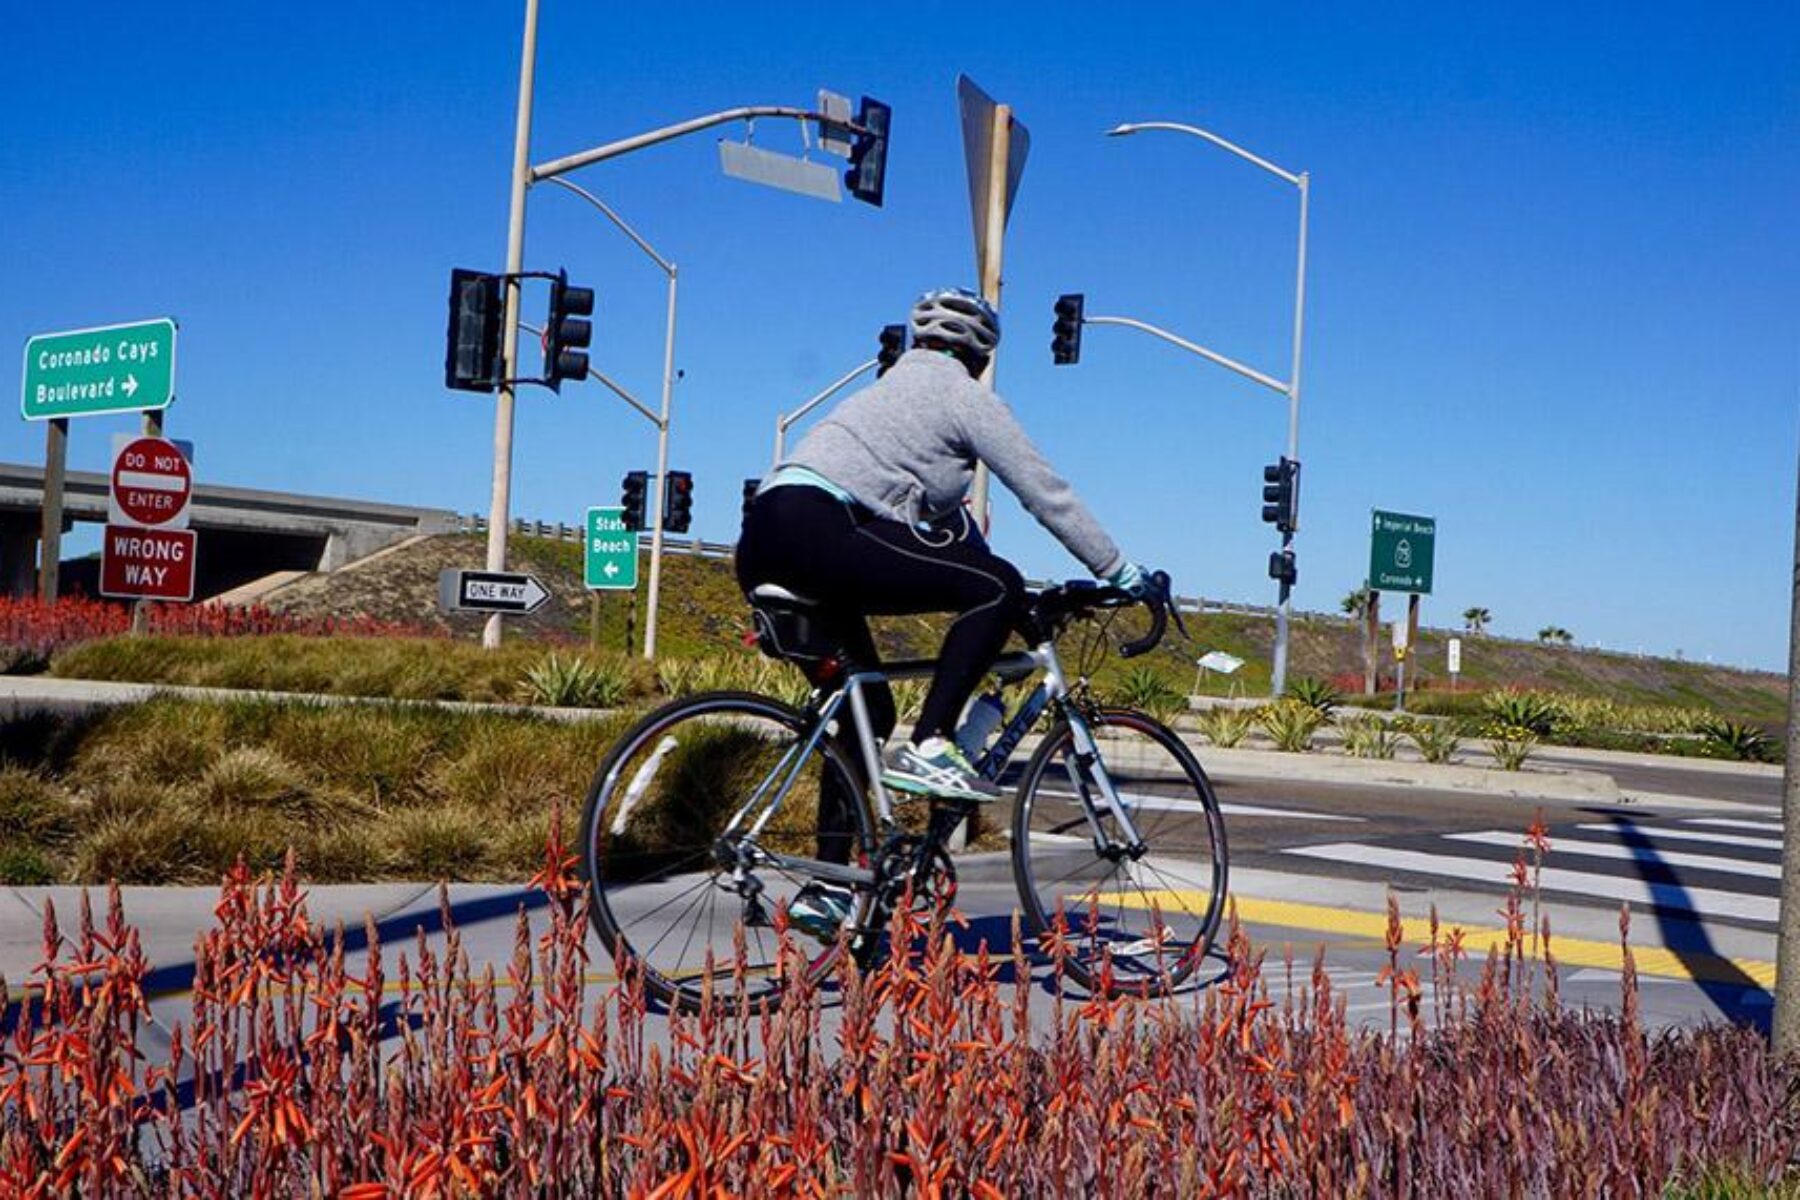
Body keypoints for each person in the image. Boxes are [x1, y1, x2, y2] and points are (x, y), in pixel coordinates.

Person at [736, 286, 1153, 812]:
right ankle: (930, 743)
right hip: (820, 528)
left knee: (868, 710)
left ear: (919, 339)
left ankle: (828, 888)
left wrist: (1014, 612)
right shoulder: (965, 398)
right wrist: (1118, 569)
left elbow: (956, 542)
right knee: (997, 581)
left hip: (762, 539)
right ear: (981, 356)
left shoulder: (880, 397)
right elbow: (1043, 491)